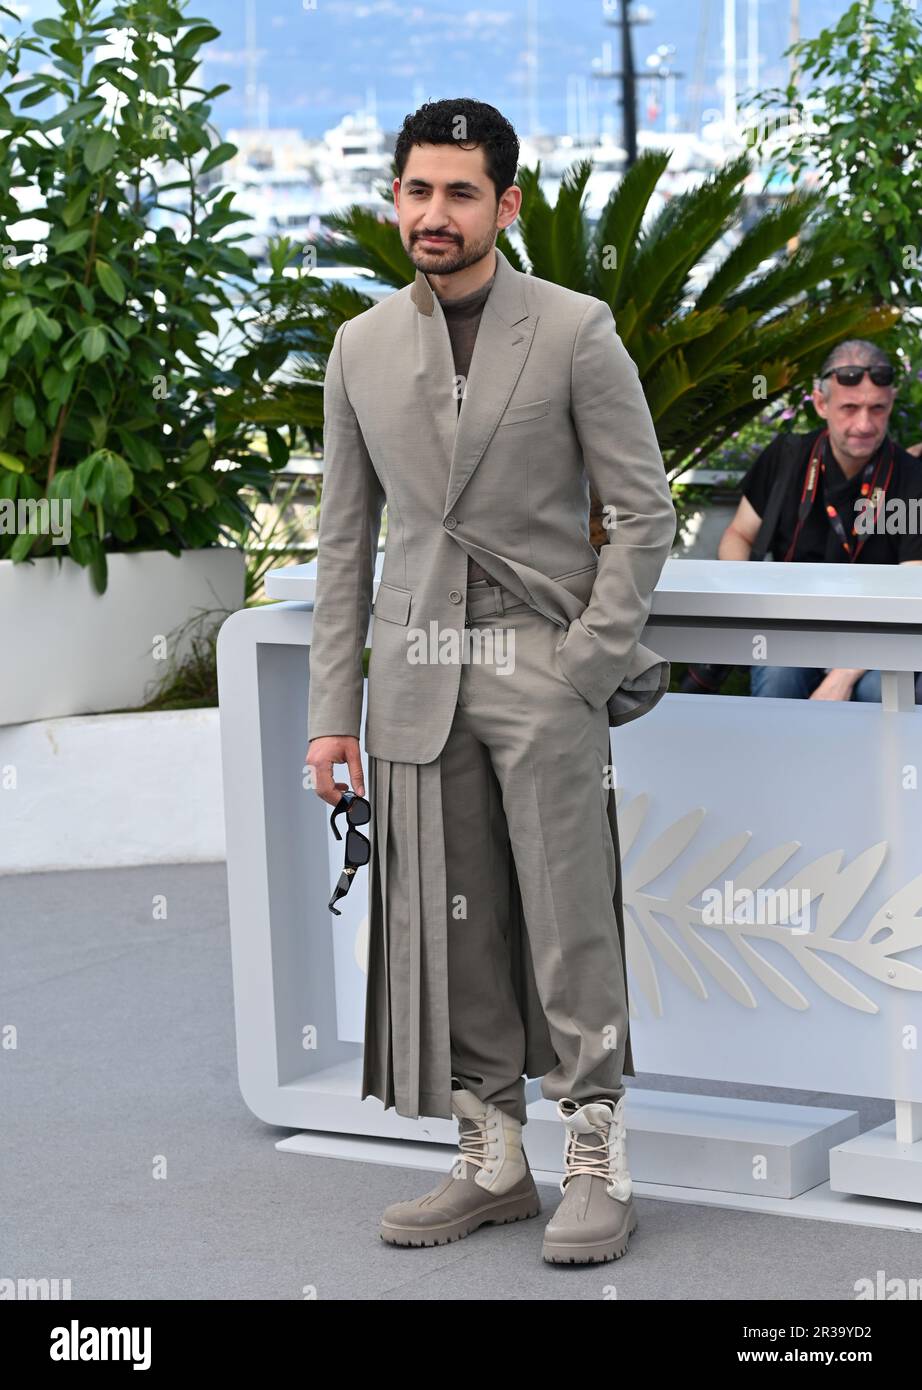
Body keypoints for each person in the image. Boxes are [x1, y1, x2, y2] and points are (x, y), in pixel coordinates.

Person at [305, 98, 676, 1264]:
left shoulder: (574, 328)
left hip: (537, 664)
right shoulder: (361, 345)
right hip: (415, 678)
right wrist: (331, 719)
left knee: (569, 922)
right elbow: (340, 544)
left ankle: (595, 1154)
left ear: (504, 206)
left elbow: (644, 509)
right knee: (447, 923)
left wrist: (583, 664)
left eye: (460, 192)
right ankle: (491, 1152)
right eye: (417, 190)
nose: (434, 212)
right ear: (395, 199)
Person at [714, 340, 922, 701]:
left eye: (877, 409)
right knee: (778, 676)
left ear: (890, 404)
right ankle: (777, 758)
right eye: (850, 408)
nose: (864, 424)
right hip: (793, 628)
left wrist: (843, 674)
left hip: (879, 633)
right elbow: (738, 535)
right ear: (822, 404)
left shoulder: (909, 477)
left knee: (878, 692)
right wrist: (755, 608)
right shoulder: (786, 457)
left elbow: (913, 587)